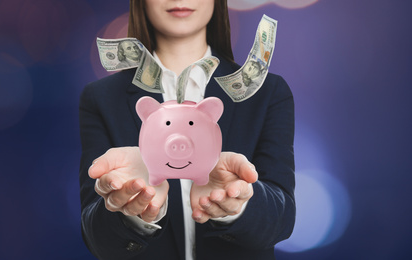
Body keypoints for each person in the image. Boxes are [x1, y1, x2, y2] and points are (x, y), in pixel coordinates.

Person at [79, 0, 295, 259]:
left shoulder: (267, 93)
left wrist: (238, 202)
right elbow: (95, 237)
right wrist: (135, 210)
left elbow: (283, 220)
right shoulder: (101, 99)